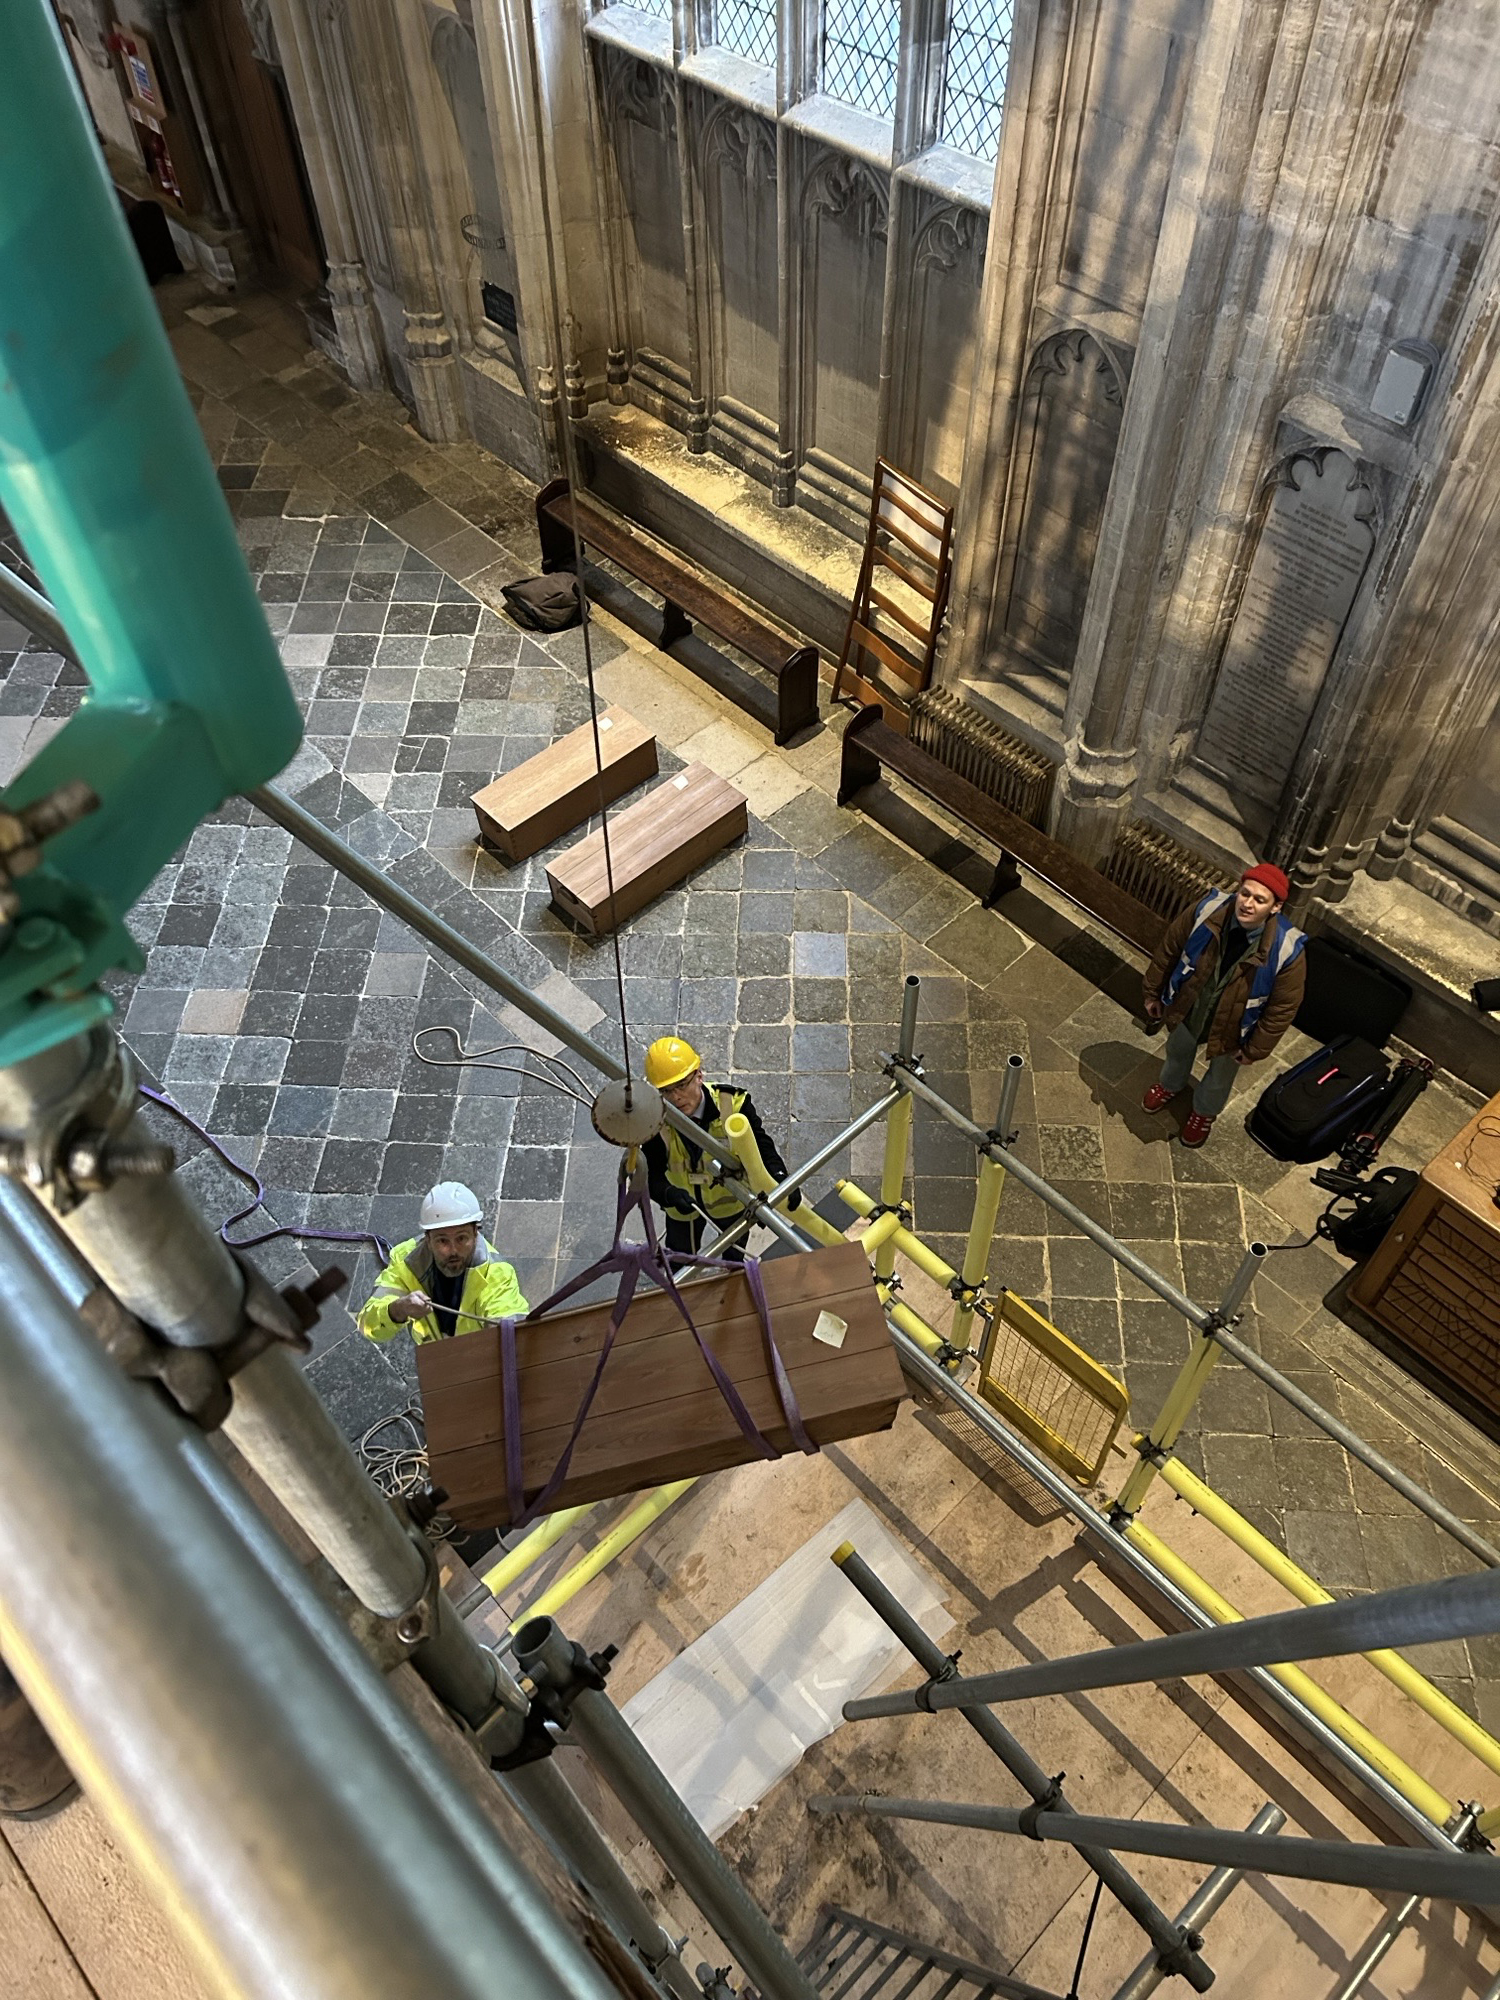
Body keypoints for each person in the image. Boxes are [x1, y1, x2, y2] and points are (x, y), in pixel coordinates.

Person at [1141, 864, 1307, 1149]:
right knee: (1177, 1050)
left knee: (1220, 1075)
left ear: (1276, 907)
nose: (1248, 904)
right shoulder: (1208, 911)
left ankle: (1203, 1112)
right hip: (1191, 1005)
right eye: (1245, 894)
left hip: (1235, 1025)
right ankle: (1171, 1085)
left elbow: (1283, 1007)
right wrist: (1153, 992)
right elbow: (1170, 948)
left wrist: (1255, 1048)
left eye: (1259, 900)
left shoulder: (1287, 949)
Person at [641, 1036, 799, 1258]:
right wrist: (668, 1194)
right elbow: (649, 1175)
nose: (675, 1097)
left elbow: (762, 1147)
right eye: (666, 1091)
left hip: (731, 1205)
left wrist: (781, 1178)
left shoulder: (733, 1105)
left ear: (699, 1075)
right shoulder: (655, 1120)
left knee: (734, 1258)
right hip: (684, 1210)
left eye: (681, 1085)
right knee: (679, 1258)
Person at [358, 1181, 528, 1345]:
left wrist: (504, 1331)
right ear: (428, 1239)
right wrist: (398, 1309)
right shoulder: (405, 1262)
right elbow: (368, 1326)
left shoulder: (497, 1272)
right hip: (433, 1353)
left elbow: (509, 1317)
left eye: (461, 1238)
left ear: (475, 1233)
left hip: (476, 1355)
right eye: (442, 1241)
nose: (453, 1250)